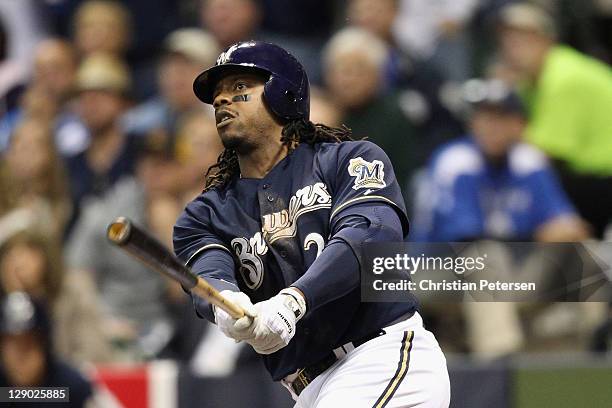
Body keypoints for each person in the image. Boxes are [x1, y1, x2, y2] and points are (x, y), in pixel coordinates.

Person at [173, 40, 449, 407]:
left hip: (379, 356)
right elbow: (207, 273)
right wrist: (225, 304)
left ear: (282, 92)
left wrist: (293, 302)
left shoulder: (348, 159)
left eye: (240, 88)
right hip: (306, 387)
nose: (222, 100)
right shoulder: (203, 213)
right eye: (218, 94)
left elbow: (370, 235)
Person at [497, 2, 612, 237]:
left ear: (546, 40)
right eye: (508, 41)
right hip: (587, 177)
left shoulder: (562, 77)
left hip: (600, 180)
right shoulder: (530, 80)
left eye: (523, 41)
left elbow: (545, 152)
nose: (513, 49)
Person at [0, 292, 94, 408]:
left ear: (45, 345)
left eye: (28, 344)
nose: (20, 356)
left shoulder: (73, 389)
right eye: (12, 345)